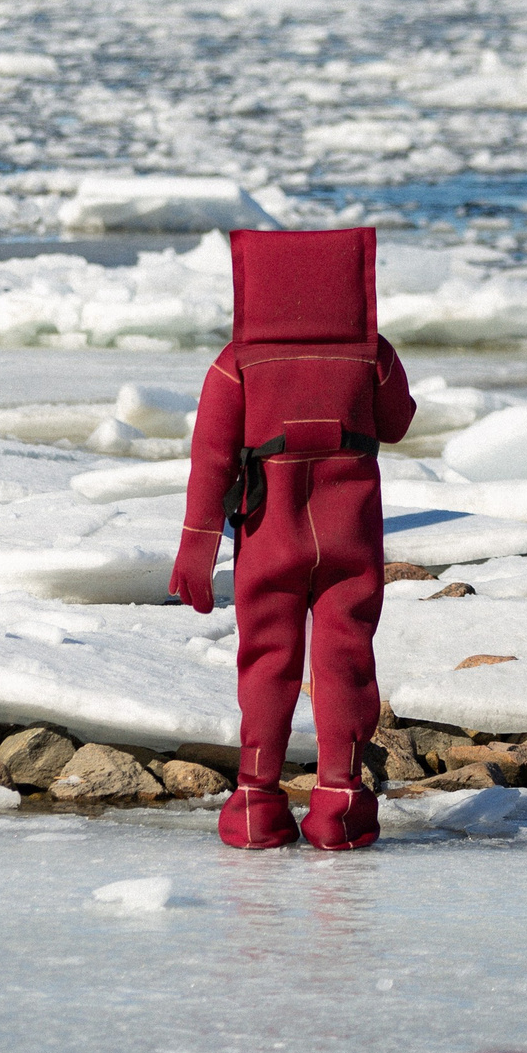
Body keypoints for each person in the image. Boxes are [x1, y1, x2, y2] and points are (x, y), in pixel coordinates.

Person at [171, 227, 416, 851]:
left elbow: (211, 460)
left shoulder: (236, 362)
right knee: (345, 663)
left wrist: (197, 546)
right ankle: (340, 804)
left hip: (268, 536)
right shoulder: (371, 353)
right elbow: (399, 422)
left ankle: (255, 802)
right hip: (349, 538)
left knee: (269, 661)